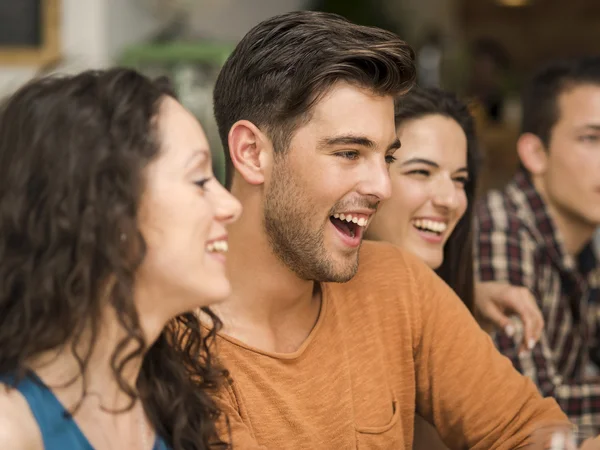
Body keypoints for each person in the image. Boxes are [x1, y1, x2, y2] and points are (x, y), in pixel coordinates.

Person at [207, 10, 573, 449]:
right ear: (251, 153)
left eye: (387, 156)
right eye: (348, 153)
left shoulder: (397, 284)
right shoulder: (168, 335)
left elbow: (528, 431)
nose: (382, 187)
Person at [0, 68, 241, 449]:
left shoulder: (168, 400)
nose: (231, 205)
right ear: (111, 213)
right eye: (199, 180)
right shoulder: (12, 429)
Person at [363, 86, 544, 449]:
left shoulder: (445, 310)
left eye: (460, 180)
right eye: (421, 172)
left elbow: (522, 427)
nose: (450, 200)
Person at [474, 56, 600, 441]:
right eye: (592, 139)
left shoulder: (582, 240)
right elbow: (529, 410)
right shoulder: (503, 228)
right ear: (535, 154)